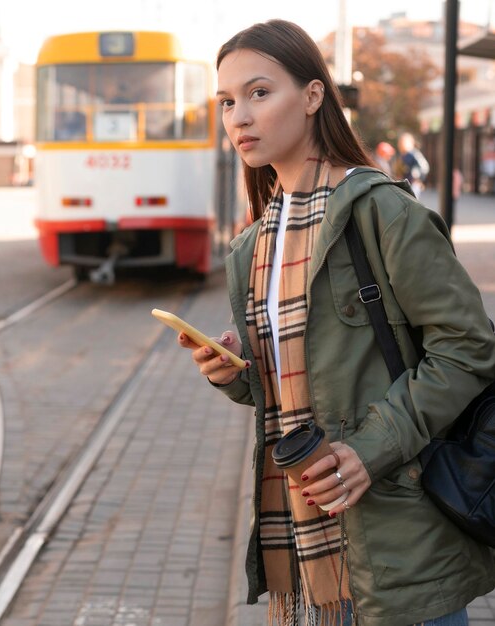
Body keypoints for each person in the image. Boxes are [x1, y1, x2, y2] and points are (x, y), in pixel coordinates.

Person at [176, 19, 495, 626]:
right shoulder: (254, 245)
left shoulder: (383, 214)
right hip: (303, 539)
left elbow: (469, 350)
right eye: (226, 101)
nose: (238, 116)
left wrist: (368, 450)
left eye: (259, 93)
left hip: (397, 540)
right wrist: (231, 371)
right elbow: (292, 383)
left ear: (314, 96)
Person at [397, 131, 430, 198]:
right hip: (406, 183)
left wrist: (417, 177)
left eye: (403, 142)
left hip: (412, 184)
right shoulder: (403, 155)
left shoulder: (413, 154)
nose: (401, 144)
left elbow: (424, 166)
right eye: (400, 142)